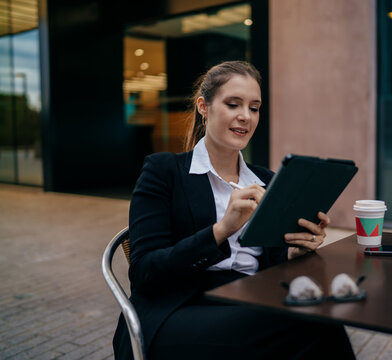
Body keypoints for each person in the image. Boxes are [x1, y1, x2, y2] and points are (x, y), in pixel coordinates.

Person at [112, 61, 355, 359]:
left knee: (320, 320)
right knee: (312, 326)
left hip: (253, 303)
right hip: (180, 311)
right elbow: (144, 273)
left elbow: (272, 262)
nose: (245, 117)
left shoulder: (267, 181)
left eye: (254, 108)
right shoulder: (164, 172)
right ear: (204, 106)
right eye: (233, 104)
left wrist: (295, 253)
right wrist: (222, 229)